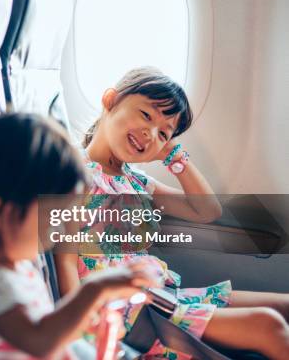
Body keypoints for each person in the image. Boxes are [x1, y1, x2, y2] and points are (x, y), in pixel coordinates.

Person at [54, 67, 289, 359]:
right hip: (129, 314)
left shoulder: (136, 181)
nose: (150, 133)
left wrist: (174, 157)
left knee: (283, 307)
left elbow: (206, 210)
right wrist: (80, 332)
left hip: (161, 299)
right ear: (110, 100)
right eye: (146, 115)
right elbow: (65, 260)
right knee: (268, 325)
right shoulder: (76, 174)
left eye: (163, 133)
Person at [0, 113, 160, 359]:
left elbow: (46, 325)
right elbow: (39, 341)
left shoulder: (19, 267)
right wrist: (95, 288)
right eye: (52, 219)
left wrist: (81, 326)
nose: (59, 232)